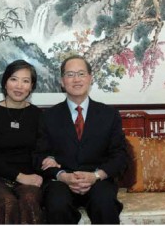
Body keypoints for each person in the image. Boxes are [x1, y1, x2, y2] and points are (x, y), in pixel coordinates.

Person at [34, 55, 128, 224]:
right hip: (61, 182)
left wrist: (96, 176)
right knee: (57, 205)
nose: (76, 79)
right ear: (62, 81)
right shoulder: (48, 116)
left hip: (98, 180)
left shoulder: (109, 115)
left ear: (90, 78)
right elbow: (39, 155)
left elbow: (120, 155)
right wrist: (62, 175)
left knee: (105, 204)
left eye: (81, 74)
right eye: (70, 75)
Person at [0, 59, 44, 224]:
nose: (19, 86)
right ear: (5, 82)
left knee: (29, 200)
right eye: (14, 79)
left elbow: (42, 151)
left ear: (31, 87)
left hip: (29, 179)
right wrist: (19, 177)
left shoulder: (37, 115)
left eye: (25, 81)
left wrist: (43, 170)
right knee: (7, 203)